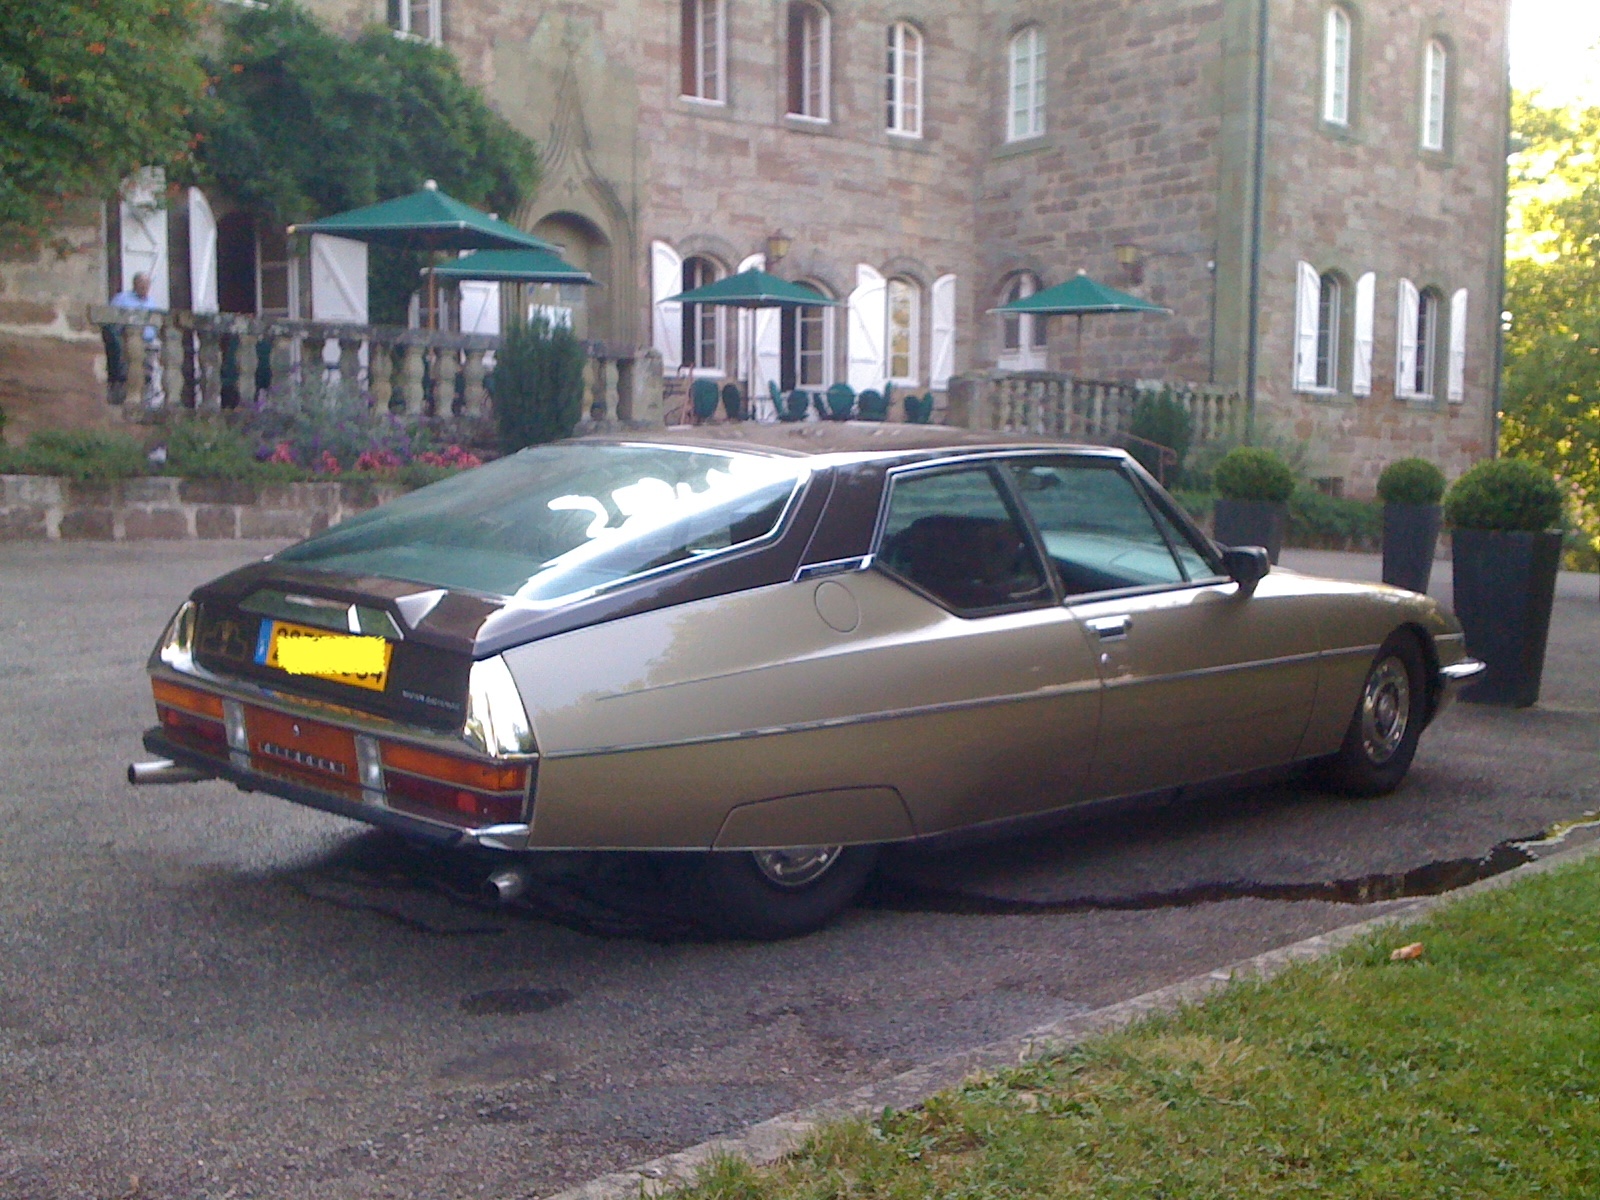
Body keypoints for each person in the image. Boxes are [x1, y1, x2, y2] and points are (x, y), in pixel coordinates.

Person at [105, 272, 164, 406]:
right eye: (142, 285)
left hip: (148, 343)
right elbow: (110, 321)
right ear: (135, 285)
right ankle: (123, 397)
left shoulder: (151, 302)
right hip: (126, 341)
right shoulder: (122, 299)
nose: (145, 288)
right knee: (127, 371)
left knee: (147, 373)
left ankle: (147, 400)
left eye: (147, 285)